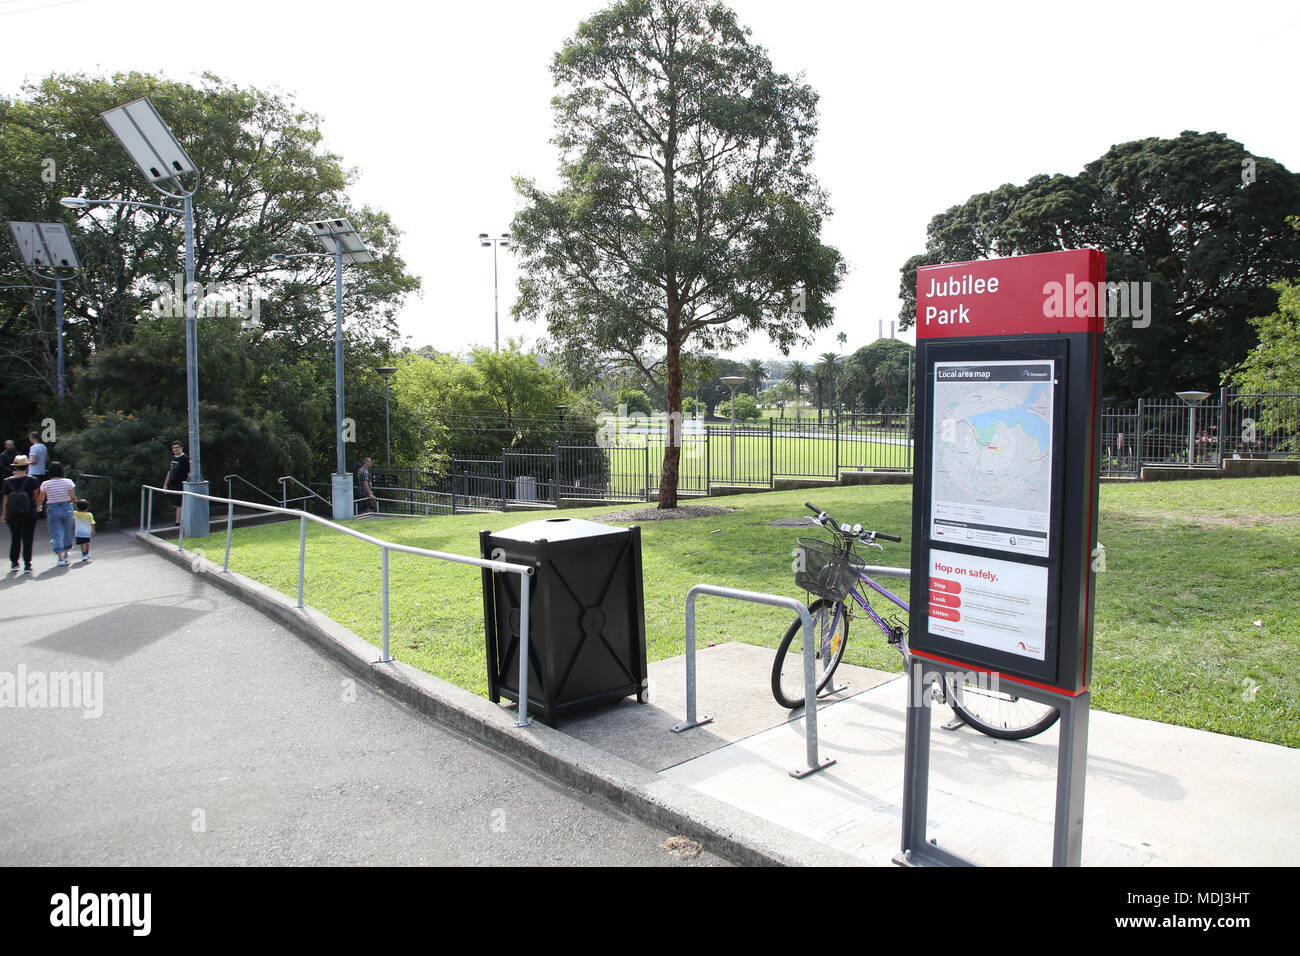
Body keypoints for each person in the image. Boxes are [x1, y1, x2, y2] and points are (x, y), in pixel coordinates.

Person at [3, 454, 39, 572]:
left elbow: (5, 499)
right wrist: (38, 507)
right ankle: (27, 564)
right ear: (27, 467)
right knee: (28, 538)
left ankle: (14, 563)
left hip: (12, 514)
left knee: (15, 537)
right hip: (28, 513)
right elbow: (35, 497)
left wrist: (3, 514)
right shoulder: (32, 480)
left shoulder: (7, 481)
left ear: (15, 467)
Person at [36, 461, 76, 567]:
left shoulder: (46, 484)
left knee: (56, 533)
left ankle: (60, 558)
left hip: (53, 508)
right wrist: (72, 503)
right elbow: (72, 497)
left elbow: (41, 497)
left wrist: (39, 506)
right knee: (68, 531)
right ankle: (67, 553)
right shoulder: (68, 482)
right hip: (66, 507)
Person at [163, 440, 189, 526]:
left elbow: (189, 473)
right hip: (172, 483)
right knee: (175, 504)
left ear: (181, 448)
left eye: (177, 447)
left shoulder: (185, 458)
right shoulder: (173, 458)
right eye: (173, 448)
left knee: (179, 504)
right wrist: (165, 484)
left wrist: (187, 484)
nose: (175, 449)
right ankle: (179, 521)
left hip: (180, 483)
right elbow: (170, 471)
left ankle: (178, 522)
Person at [74, 498, 95, 562]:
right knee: (87, 542)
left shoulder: (76, 513)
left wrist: (75, 502)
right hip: (87, 532)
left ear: (77, 508)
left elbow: (70, 509)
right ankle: (88, 553)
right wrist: (93, 530)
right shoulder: (89, 514)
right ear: (87, 508)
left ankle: (84, 555)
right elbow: (92, 523)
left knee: (82, 544)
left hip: (79, 532)